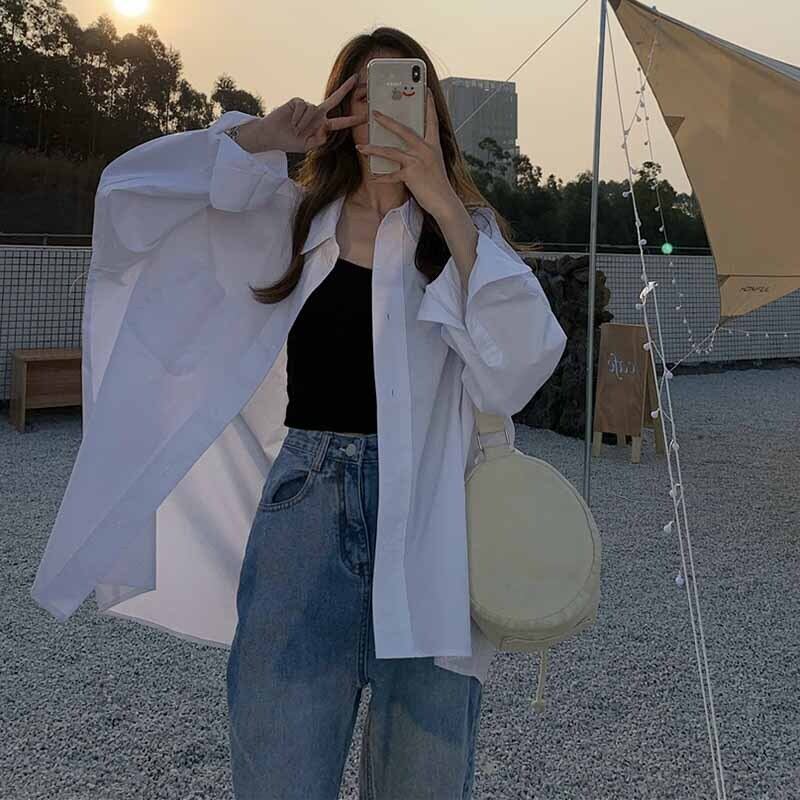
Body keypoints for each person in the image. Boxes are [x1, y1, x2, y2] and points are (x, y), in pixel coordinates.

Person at [31, 26, 567, 800]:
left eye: (404, 92)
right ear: (339, 107)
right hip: (304, 516)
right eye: (364, 92)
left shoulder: (461, 238)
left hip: (435, 527)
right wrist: (259, 138)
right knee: (279, 772)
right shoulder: (286, 219)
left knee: (423, 781)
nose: (383, 110)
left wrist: (446, 205)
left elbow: (521, 368)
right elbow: (128, 197)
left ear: (433, 115)